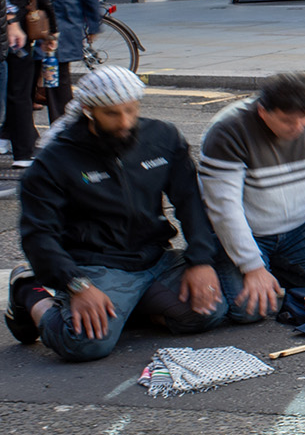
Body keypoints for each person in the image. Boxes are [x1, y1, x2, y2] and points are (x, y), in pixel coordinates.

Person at [8, 67, 239, 360]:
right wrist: (77, 285)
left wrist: (201, 260)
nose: (125, 122)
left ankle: (125, 309)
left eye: (131, 110)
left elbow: (190, 201)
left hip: (155, 258)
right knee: (84, 343)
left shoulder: (163, 137)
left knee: (210, 311)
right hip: (96, 265)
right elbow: (39, 235)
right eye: (113, 114)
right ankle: (28, 290)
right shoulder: (53, 161)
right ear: (89, 111)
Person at [198, 72, 305, 320]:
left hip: (300, 227)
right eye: (288, 121)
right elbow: (224, 210)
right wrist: (253, 267)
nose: (300, 127)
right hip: (247, 231)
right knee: (250, 311)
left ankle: (280, 268)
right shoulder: (227, 132)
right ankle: (201, 265)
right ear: (263, 112)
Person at [0, 0, 48, 164]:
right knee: (19, 91)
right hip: (20, 30)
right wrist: (50, 31)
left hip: (12, 27)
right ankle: (23, 151)